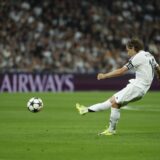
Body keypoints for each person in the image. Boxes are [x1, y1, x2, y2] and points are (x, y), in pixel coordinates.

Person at [76, 38, 160, 136]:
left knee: (115, 104)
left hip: (137, 87)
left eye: (128, 49)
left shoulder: (137, 57)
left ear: (133, 48)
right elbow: (157, 67)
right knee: (111, 101)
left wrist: (105, 75)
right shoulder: (149, 55)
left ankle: (111, 130)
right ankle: (85, 109)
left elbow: (121, 71)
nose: (127, 51)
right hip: (139, 88)